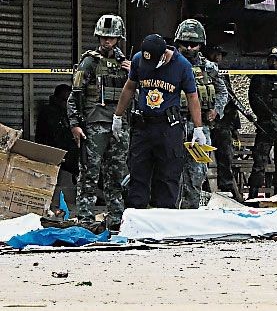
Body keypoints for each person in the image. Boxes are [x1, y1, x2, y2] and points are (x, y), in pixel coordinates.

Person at [114, 34, 206, 209]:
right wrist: (117, 116)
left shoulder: (182, 65)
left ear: (164, 54)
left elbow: (192, 96)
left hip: (168, 127)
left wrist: (198, 128)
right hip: (143, 126)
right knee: (138, 174)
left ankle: (164, 222)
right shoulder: (139, 59)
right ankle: (137, 221)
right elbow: (129, 87)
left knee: (167, 176)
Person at [67, 15, 131, 229]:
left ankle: (115, 219)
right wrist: (75, 124)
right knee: (89, 174)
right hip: (95, 125)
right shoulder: (89, 61)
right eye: (104, 37)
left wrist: (134, 74)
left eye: (111, 38)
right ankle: (85, 219)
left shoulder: (126, 63)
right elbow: (75, 95)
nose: (107, 42)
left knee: (116, 175)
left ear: (118, 39)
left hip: (119, 126)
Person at [175, 19, 227, 209]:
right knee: (174, 173)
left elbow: (223, 92)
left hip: (201, 128)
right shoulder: (169, 65)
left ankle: (191, 211)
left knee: (198, 173)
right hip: (176, 126)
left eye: (193, 44)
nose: (189, 48)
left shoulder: (209, 68)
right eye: (184, 44)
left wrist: (216, 110)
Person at [247, 47, 277, 200]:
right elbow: (254, 99)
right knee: (260, 162)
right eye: (271, 59)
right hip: (266, 126)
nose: (274, 63)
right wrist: (265, 116)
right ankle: (253, 195)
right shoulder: (260, 77)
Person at [206, 46, 244, 202]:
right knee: (203, 160)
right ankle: (205, 190)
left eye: (220, 55)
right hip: (207, 122)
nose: (218, 57)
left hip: (223, 124)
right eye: (216, 54)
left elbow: (230, 100)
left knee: (225, 159)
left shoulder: (222, 74)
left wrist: (235, 127)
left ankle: (227, 191)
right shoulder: (205, 70)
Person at [35, 84, 78, 213]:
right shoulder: (50, 112)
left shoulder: (68, 112)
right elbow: (54, 136)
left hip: (64, 151)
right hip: (52, 151)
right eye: (65, 100)